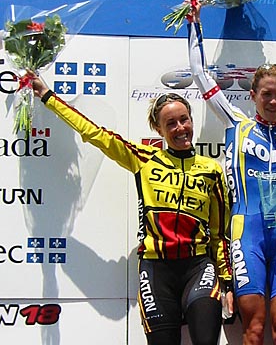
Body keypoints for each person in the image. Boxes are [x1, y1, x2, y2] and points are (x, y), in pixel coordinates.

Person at [31, 75, 233, 345]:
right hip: (156, 269)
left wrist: (227, 281)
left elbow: (219, 234)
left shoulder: (212, 170)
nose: (180, 128)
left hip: (198, 266)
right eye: (170, 123)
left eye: (184, 119)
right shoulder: (144, 159)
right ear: (158, 129)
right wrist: (48, 97)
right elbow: (95, 134)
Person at [187, 1, 276, 345]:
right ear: (253, 94)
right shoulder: (236, 124)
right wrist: (194, 23)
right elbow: (200, 75)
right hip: (248, 233)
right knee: (254, 328)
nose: (273, 101)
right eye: (266, 94)